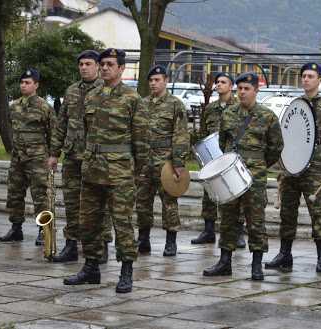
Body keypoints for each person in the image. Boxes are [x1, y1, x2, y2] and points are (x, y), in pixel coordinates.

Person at [63, 48, 150, 293]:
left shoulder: (133, 100)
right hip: (91, 169)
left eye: (110, 64)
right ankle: (91, 267)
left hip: (119, 171)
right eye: (102, 64)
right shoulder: (91, 97)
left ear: (122, 68)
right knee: (88, 221)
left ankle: (126, 272)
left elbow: (142, 141)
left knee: (122, 223)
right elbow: (86, 132)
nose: (104, 68)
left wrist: (136, 170)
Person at [203, 72, 283, 280]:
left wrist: (259, 164)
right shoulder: (228, 114)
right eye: (240, 88)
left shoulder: (267, 117)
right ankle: (224, 262)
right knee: (228, 217)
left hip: (254, 176)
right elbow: (222, 144)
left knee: (255, 220)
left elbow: (276, 148)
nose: (243, 92)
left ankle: (256, 265)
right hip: (230, 173)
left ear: (257, 90)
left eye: (247, 89)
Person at [265, 62, 321, 272]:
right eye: (304, 76)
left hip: (317, 163)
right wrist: (280, 167)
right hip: (291, 164)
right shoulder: (294, 103)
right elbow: (285, 135)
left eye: (311, 76)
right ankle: (285, 254)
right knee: (287, 211)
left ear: (320, 80)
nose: (306, 79)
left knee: (317, 210)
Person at [49, 50, 113, 263]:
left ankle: (102, 245)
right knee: (72, 203)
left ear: (97, 66)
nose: (84, 68)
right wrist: (53, 154)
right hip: (72, 158)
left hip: (96, 158)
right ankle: (71, 246)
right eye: (81, 64)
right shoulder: (71, 91)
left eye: (88, 64)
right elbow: (61, 125)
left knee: (99, 205)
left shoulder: (105, 90)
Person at [135, 64, 190, 256]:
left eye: (157, 80)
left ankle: (171, 240)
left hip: (165, 160)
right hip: (144, 160)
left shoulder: (175, 104)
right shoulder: (141, 103)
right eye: (150, 80)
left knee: (169, 201)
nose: (153, 83)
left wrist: (179, 161)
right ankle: (143, 240)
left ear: (166, 81)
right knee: (142, 201)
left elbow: (181, 134)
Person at [0, 69, 55, 245]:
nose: (23, 85)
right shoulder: (14, 106)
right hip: (18, 157)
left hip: (37, 158)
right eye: (22, 82)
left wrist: (52, 155)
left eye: (28, 82)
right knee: (14, 193)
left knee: (39, 195)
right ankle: (16, 229)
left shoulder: (44, 107)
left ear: (36, 85)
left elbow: (53, 133)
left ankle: (43, 231)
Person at [191, 72, 246, 248]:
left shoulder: (238, 106)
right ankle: (208, 231)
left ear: (231, 87)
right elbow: (204, 132)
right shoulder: (210, 108)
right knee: (209, 194)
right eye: (218, 82)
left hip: (230, 155)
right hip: (212, 156)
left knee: (235, 194)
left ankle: (238, 233)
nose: (219, 85)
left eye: (223, 82)